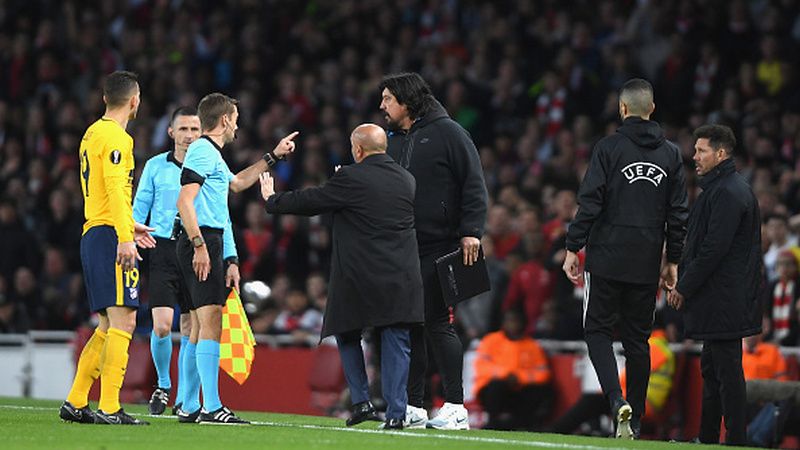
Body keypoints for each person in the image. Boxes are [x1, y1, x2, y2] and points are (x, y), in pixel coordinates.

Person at [260, 123, 424, 430]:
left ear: (358, 150)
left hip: (359, 276)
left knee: (348, 331)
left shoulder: (349, 177)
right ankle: (397, 413)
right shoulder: (407, 179)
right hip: (401, 274)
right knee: (396, 338)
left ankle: (361, 402)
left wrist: (273, 200)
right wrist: (343, 182)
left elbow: (313, 201)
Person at [562, 78, 688, 439]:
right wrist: (673, 261)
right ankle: (635, 420)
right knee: (638, 342)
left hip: (605, 259)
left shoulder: (608, 148)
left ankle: (617, 401)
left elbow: (591, 201)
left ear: (622, 109)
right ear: (651, 109)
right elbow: (678, 213)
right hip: (646, 264)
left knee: (597, 331)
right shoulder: (670, 154)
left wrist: (574, 246)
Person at [175, 92, 297, 424]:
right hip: (200, 241)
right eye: (236, 119)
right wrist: (200, 245)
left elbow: (238, 183)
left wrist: (273, 156)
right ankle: (211, 407)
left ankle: (189, 404)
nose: (238, 126)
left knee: (200, 325)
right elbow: (185, 202)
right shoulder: (202, 150)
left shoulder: (210, 154)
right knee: (210, 320)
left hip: (209, 242)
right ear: (225, 119)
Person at [379, 72, 488, 430]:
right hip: (404, 245)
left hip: (440, 245)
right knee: (412, 325)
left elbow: (473, 181)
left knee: (438, 323)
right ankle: (414, 405)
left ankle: (456, 405)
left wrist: (471, 231)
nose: (382, 106)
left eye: (387, 100)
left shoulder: (449, 133)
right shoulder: (395, 140)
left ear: (406, 103)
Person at [59, 70, 156, 425]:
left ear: (104, 99)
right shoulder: (117, 138)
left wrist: (128, 225)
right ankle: (111, 407)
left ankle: (75, 401)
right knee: (125, 320)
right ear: (135, 101)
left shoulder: (91, 134)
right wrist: (125, 237)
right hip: (108, 236)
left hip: (95, 232)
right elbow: (116, 189)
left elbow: (101, 192)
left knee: (106, 323)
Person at [132, 106, 238, 415]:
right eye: (183, 130)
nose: (190, 135)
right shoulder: (155, 166)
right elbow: (140, 207)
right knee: (163, 326)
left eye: (194, 129)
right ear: (171, 133)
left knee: (193, 325)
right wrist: (131, 235)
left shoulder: (208, 161)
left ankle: (187, 400)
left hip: (194, 246)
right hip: (164, 249)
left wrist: (230, 255)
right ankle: (164, 384)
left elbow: (223, 214)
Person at [668, 124, 763, 446]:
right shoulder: (723, 188)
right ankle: (708, 439)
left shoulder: (727, 192)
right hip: (720, 296)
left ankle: (736, 440)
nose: (694, 156)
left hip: (724, 297)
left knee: (727, 373)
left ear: (720, 153)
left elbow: (713, 249)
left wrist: (684, 286)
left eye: (701, 151)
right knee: (714, 370)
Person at [473, 309, 553, 431]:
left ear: (523, 323)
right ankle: (493, 422)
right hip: (494, 388)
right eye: (509, 320)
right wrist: (506, 375)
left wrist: (519, 378)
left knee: (541, 390)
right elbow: (482, 367)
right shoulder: (491, 340)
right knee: (496, 386)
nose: (513, 324)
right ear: (503, 323)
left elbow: (543, 373)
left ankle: (523, 423)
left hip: (519, 388)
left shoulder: (532, 346)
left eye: (516, 321)